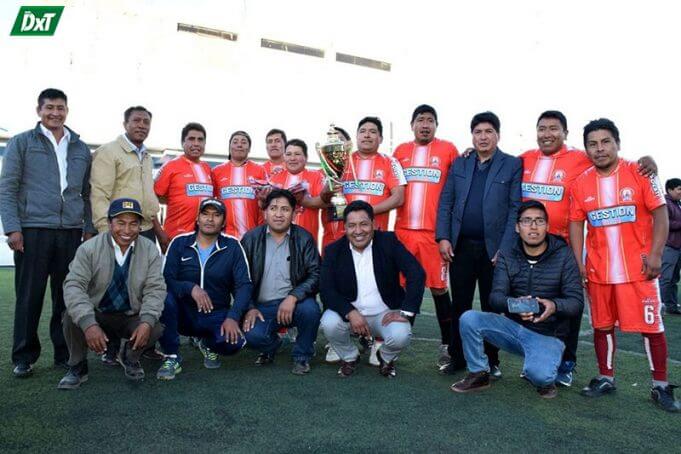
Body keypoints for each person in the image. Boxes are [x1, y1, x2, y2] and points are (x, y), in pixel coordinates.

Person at [519, 110, 658, 386]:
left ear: (566, 133)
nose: (547, 134)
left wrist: (649, 161)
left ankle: (567, 365)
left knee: (568, 308)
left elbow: (611, 158)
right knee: (531, 304)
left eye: (553, 129)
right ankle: (535, 361)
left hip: (563, 248)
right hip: (529, 247)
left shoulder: (582, 159)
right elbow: (497, 162)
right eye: (542, 128)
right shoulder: (523, 159)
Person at [569, 118, 680, 412]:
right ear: (586, 149)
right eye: (592, 144)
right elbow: (576, 224)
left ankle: (660, 386)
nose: (599, 149)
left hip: (639, 270)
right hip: (599, 271)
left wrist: (656, 254)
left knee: (652, 327)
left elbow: (660, 215)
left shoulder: (639, 172)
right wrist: (579, 262)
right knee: (601, 326)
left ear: (618, 143)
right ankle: (606, 377)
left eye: (606, 142)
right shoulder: (580, 184)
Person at [0, 88, 96, 378]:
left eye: (60, 108)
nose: (55, 113)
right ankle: (24, 356)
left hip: (70, 232)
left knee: (67, 297)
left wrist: (88, 228)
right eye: (49, 108)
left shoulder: (80, 147)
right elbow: (8, 188)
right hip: (33, 231)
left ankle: (64, 353)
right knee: (29, 296)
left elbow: (88, 192)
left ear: (67, 110)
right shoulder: (21, 143)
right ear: (38, 110)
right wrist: (13, 228)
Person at [451, 201, 583, 398]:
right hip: (513, 330)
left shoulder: (563, 255)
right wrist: (514, 305)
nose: (533, 227)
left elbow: (576, 302)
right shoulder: (507, 254)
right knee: (469, 319)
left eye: (539, 221)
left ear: (547, 226)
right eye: (527, 221)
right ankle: (478, 373)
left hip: (547, 334)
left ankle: (544, 370)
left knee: (540, 377)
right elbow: (495, 297)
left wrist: (553, 305)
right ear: (517, 226)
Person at [436, 111, 522, 378]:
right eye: (478, 132)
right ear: (471, 135)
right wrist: (444, 237)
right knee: (459, 304)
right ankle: (458, 358)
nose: (483, 137)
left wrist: (505, 247)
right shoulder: (460, 163)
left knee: (491, 305)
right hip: (460, 246)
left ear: (498, 135)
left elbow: (514, 208)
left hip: (494, 250)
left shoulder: (512, 164)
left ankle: (492, 361)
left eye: (488, 132)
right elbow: (446, 202)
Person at [58, 198, 166, 388]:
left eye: (133, 224)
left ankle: (130, 357)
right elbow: (73, 285)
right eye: (120, 223)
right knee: (70, 317)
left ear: (140, 226)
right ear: (109, 223)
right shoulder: (88, 248)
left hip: (130, 315)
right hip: (98, 313)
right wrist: (89, 323)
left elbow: (155, 288)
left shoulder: (149, 249)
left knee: (154, 326)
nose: (127, 230)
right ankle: (77, 366)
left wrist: (147, 320)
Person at [320, 200, 425, 378]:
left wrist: (406, 312)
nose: (358, 231)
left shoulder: (388, 242)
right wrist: (350, 312)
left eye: (364, 224)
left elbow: (416, 273)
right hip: (351, 315)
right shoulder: (333, 250)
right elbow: (326, 289)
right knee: (328, 322)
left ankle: (384, 356)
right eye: (352, 225)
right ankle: (349, 356)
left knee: (401, 335)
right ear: (344, 227)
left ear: (374, 224)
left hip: (384, 314)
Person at [393, 104, 459, 368]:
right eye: (420, 120)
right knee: (402, 288)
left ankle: (448, 345)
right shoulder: (400, 152)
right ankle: (394, 342)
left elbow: (457, 186)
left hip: (434, 235)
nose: (425, 124)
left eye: (430, 120)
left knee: (440, 289)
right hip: (403, 232)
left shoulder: (449, 150)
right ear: (412, 125)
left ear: (436, 126)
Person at [157, 198, 251, 379]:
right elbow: (166, 280)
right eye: (205, 214)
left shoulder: (232, 246)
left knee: (234, 344)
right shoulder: (179, 243)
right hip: (182, 314)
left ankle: (207, 343)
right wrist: (190, 288)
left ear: (223, 222)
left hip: (216, 313)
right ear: (197, 219)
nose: (210, 219)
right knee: (163, 298)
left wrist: (233, 317)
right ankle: (171, 356)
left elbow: (244, 285)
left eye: (216, 215)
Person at [240, 189, 322, 375]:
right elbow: (240, 279)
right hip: (262, 306)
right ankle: (272, 345)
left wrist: (293, 297)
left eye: (285, 209)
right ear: (265, 212)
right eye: (274, 208)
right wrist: (250, 307)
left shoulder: (304, 238)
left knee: (310, 310)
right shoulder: (250, 239)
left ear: (294, 213)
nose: (278, 214)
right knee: (251, 337)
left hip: (295, 303)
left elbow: (316, 274)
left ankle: (302, 356)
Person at [90, 106, 165, 248]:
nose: (142, 125)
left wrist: (157, 230)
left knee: (143, 270)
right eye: (136, 120)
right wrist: (106, 231)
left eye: (146, 122)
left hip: (145, 230)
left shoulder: (146, 156)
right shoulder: (108, 152)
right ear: (125, 124)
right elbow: (99, 195)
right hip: (119, 231)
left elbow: (148, 196)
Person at [154, 123, 214, 240]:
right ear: (183, 143)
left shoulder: (207, 168)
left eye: (200, 140)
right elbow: (153, 199)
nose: (196, 143)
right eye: (191, 139)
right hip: (176, 237)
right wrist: (160, 233)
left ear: (204, 144)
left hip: (204, 239)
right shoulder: (170, 166)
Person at [269, 139, 328, 245]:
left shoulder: (316, 176)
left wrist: (304, 201)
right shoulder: (274, 177)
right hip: (277, 242)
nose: (292, 158)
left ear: (306, 158)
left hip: (307, 241)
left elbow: (325, 202)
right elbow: (265, 206)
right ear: (284, 157)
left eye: (297, 154)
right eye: (288, 154)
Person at [212, 130, 267, 239]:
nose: (239, 145)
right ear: (229, 147)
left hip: (254, 236)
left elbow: (267, 202)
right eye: (235, 142)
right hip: (225, 236)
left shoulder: (260, 170)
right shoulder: (216, 172)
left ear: (249, 148)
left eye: (243, 142)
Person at [321, 125, 353, 250]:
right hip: (330, 237)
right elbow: (319, 200)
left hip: (356, 236)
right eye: (332, 142)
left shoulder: (357, 169)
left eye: (340, 140)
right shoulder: (322, 173)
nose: (335, 147)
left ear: (349, 145)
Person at [660, 178, 681, 315]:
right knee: (666, 279)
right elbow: (664, 224)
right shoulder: (664, 204)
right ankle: (661, 307)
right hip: (669, 246)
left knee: (674, 279)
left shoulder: (677, 203)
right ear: (670, 190)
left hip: (677, 247)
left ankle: (672, 306)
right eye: (679, 189)